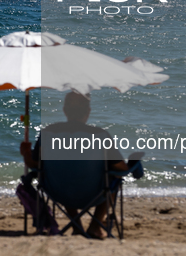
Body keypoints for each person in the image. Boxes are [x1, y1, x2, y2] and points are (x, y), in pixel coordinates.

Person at [20, 92, 129, 239]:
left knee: (64, 175)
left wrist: (26, 152)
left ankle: (76, 225)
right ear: (88, 111)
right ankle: (95, 226)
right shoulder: (100, 135)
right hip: (94, 194)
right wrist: (133, 164)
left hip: (58, 193)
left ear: (65, 110)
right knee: (113, 181)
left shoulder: (48, 133)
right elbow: (121, 168)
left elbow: (33, 164)